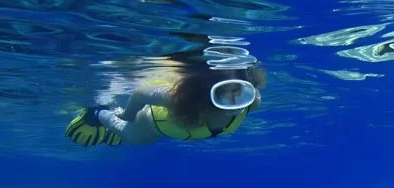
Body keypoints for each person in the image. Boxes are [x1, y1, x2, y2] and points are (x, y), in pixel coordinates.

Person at [66, 65, 265, 146]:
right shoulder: (181, 100)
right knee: (131, 136)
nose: (236, 104)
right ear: (205, 97)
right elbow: (141, 93)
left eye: (241, 92)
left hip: (174, 126)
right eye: (223, 95)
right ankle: (98, 113)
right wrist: (126, 116)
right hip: (151, 123)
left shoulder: (252, 101)